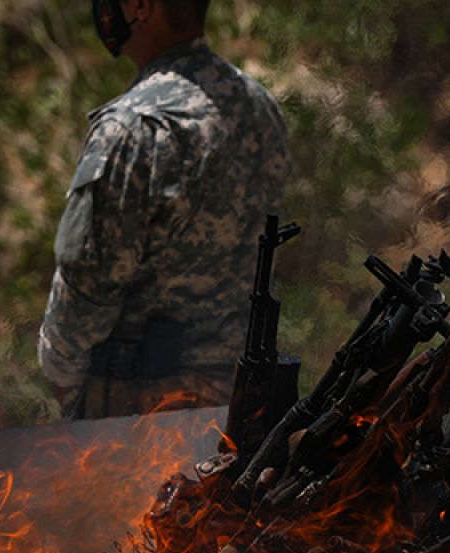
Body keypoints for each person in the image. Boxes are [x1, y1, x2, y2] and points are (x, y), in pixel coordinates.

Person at [38, 0, 290, 419]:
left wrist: (62, 375)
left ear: (140, 6)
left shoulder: (132, 126)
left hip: (138, 416)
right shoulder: (261, 109)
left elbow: (87, 280)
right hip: (237, 403)